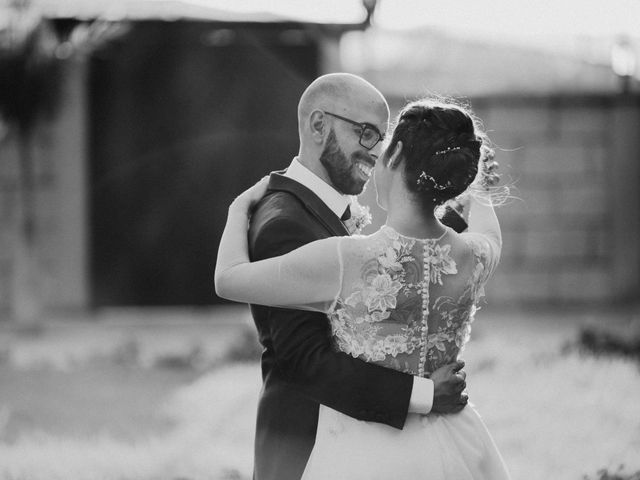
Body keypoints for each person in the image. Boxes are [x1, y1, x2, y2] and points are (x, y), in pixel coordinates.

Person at [215, 90, 510, 479]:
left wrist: (238, 208)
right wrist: (477, 181)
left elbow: (227, 279)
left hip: (365, 451)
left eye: (381, 141)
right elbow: (490, 231)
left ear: (396, 155)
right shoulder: (475, 255)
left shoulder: (345, 259)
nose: (374, 154)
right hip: (456, 442)